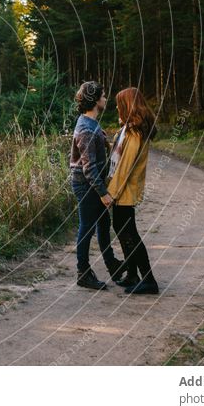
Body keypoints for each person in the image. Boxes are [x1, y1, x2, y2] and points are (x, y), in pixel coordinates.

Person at [69, 81, 127, 290]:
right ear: (94, 100)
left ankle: (112, 265)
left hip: (94, 183)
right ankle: (83, 272)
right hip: (86, 185)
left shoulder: (91, 122)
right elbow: (88, 168)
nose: (105, 99)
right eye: (102, 96)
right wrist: (103, 193)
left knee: (103, 225)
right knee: (87, 227)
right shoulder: (86, 128)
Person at [107, 87, 159, 295]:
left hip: (124, 192)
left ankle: (149, 280)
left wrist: (111, 194)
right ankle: (132, 274)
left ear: (128, 106)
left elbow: (125, 167)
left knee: (130, 234)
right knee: (122, 230)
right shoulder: (128, 130)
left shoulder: (135, 133)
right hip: (122, 191)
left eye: (119, 104)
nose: (116, 108)